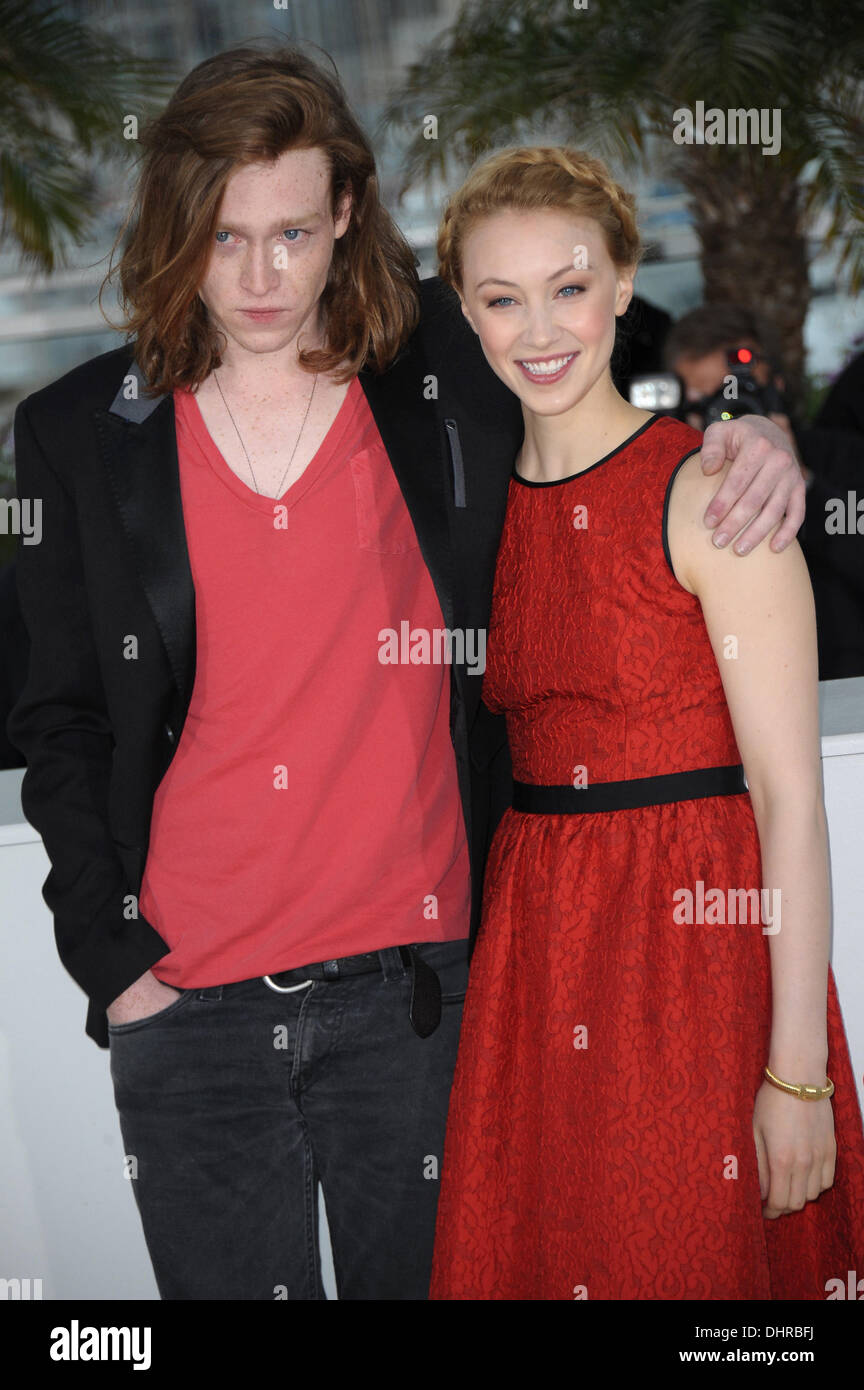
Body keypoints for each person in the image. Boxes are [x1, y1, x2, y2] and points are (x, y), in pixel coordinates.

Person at [7, 47, 806, 1301]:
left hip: (426, 1004)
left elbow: (592, 369)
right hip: (190, 1015)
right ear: (174, 224)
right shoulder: (74, 432)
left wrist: (753, 433)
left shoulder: (439, 363)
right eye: (224, 236)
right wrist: (115, 962)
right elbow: (58, 719)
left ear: (345, 213)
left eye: (292, 233)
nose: (261, 278)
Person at [427, 146, 864, 1301]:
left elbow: (790, 800)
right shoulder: (472, 514)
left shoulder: (715, 494)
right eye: (502, 298)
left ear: (623, 283)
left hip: (696, 966)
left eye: (569, 287)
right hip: (535, 968)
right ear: (463, 308)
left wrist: (798, 1075)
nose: (540, 329)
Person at [666, 307, 864, 680]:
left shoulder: (841, 456)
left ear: (778, 387)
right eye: (711, 404)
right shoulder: (668, 493)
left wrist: (803, 481)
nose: (730, 413)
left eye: (742, 395)